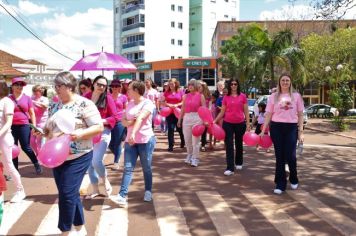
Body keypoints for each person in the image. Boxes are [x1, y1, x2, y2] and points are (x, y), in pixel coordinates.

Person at [43, 71, 103, 235]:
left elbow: (98, 127)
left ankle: (65, 231)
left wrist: (80, 134)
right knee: (68, 192)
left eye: (58, 86)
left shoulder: (85, 104)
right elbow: (49, 129)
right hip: (59, 157)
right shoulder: (54, 105)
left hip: (80, 155)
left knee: (66, 194)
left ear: (69, 86)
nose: (56, 90)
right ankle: (80, 227)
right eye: (55, 86)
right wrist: (43, 133)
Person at [110, 81, 156, 206]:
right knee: (128, 168)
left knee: (146, 167)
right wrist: (130, 123)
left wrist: (133, 133)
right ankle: (122, 195)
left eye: (129, 89)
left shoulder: (148, 103)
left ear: (136, 90)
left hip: (145, 140)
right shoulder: (129, 103)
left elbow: (141, 119)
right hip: (131, 141)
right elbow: (123, 120)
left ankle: (148, 191)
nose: (127, 91)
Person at [260, 73, 304, 195]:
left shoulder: (296, 96)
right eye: (283, 80)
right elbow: (268, 114)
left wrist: (301, 132)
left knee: (291, 156)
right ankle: (280, 183)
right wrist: (263, 130)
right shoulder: (273, 96)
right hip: (276, 127)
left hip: (291, 128)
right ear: (279, 82)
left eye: (287, 80)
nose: (285, 82)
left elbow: (300, 114)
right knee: (279, 157)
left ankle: (294, 177)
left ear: (290, 82)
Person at [85, 75, 118, 199]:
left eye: (104, 85)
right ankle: (95, 189)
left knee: (96, 160)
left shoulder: (108, 98)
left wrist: (101, 120)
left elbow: (114, 117)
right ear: (93, 84)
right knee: (89, 162)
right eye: (99, 84)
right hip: (87, 133)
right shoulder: (86, 98)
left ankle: (104, 180)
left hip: (103, 132)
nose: (101, 87)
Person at [214, 78, 250, 176]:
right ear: (229, 86)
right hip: (228, 123)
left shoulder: (243, 96)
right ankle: (230, 167)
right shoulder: (226, 97)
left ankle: (239, 162)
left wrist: (248, 123)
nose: (233, 86)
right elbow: (222, 111)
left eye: (235, 84)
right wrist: (215, 121)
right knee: (229, 145)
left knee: (239, 144)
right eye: (232, 84)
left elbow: (246, 111)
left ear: (238, 85)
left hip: (240, 123)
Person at [9, 77, 42, 174]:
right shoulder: (8, 98)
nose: (19, 86)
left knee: (25, 147)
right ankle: (15, 171)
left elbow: (32, 113)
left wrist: (34, 127)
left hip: (24, 125)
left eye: (21, 85)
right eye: (17, 84)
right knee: (12, 147)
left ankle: (36, 163)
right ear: (12, 86)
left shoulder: (27, 98)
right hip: (11, 126)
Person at [0, 81, 26, 203]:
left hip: (4, 138)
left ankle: (20, 190)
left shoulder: (7, 102)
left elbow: (8, 122)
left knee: (9, 165)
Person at [178, 79, 206, 167]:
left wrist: (204, 120)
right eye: (189, 85)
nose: (190, 86)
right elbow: (182, 109)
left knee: (195, 141)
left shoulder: (201, 96)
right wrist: (180, 119)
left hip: (197, 118)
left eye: (192, 85)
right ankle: (189, 154)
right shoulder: (185, 96)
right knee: (187, 139)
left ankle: (195, 158)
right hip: (187, 118)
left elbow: (204, 109)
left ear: (196, 86)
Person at [108, 79, 127, 170]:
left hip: (120, 121)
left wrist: (123, 114)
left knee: (118, 142)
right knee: (110, 143)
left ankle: (116, 162)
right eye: (113, 86)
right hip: (110, 122)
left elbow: (126, 108)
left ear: (120, 87)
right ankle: (117, 154)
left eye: (117, 86)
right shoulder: (107, 97)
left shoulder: (123, 97)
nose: (115, 88)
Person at [162, 78, 185, 152]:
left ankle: (183, 142)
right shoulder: (166, 92)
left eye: (172, 83)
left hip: (179, 113)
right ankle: (170, 146)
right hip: (169, 113)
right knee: (170, 129)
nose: (171, 85)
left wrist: (177, 104)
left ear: (176, 84)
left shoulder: (181, 92)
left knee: (180, 129)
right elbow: (163, 102)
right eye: (170, 84)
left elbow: (183, 101)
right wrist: (169, 104)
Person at [30, 85, 49, 155]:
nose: (35, 92)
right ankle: (38, 153)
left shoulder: (44, 99)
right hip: (34, 122)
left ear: (41, 91)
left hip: (42, 123)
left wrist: (34, 102)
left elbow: (45, 106)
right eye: (34, 91)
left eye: (37, 90)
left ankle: (41, 155)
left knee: (39, 140)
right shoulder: (32, 98)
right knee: (31, 141)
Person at [198, 81, 211, 152]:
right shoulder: (196, 95)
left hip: (205, 115)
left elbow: (210, 106)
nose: (199, 88)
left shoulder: (208, 96)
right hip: (197, 115)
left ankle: (203, 145)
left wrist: (208, 114)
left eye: (200, 86)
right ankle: (196, 144)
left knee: (204, 130)